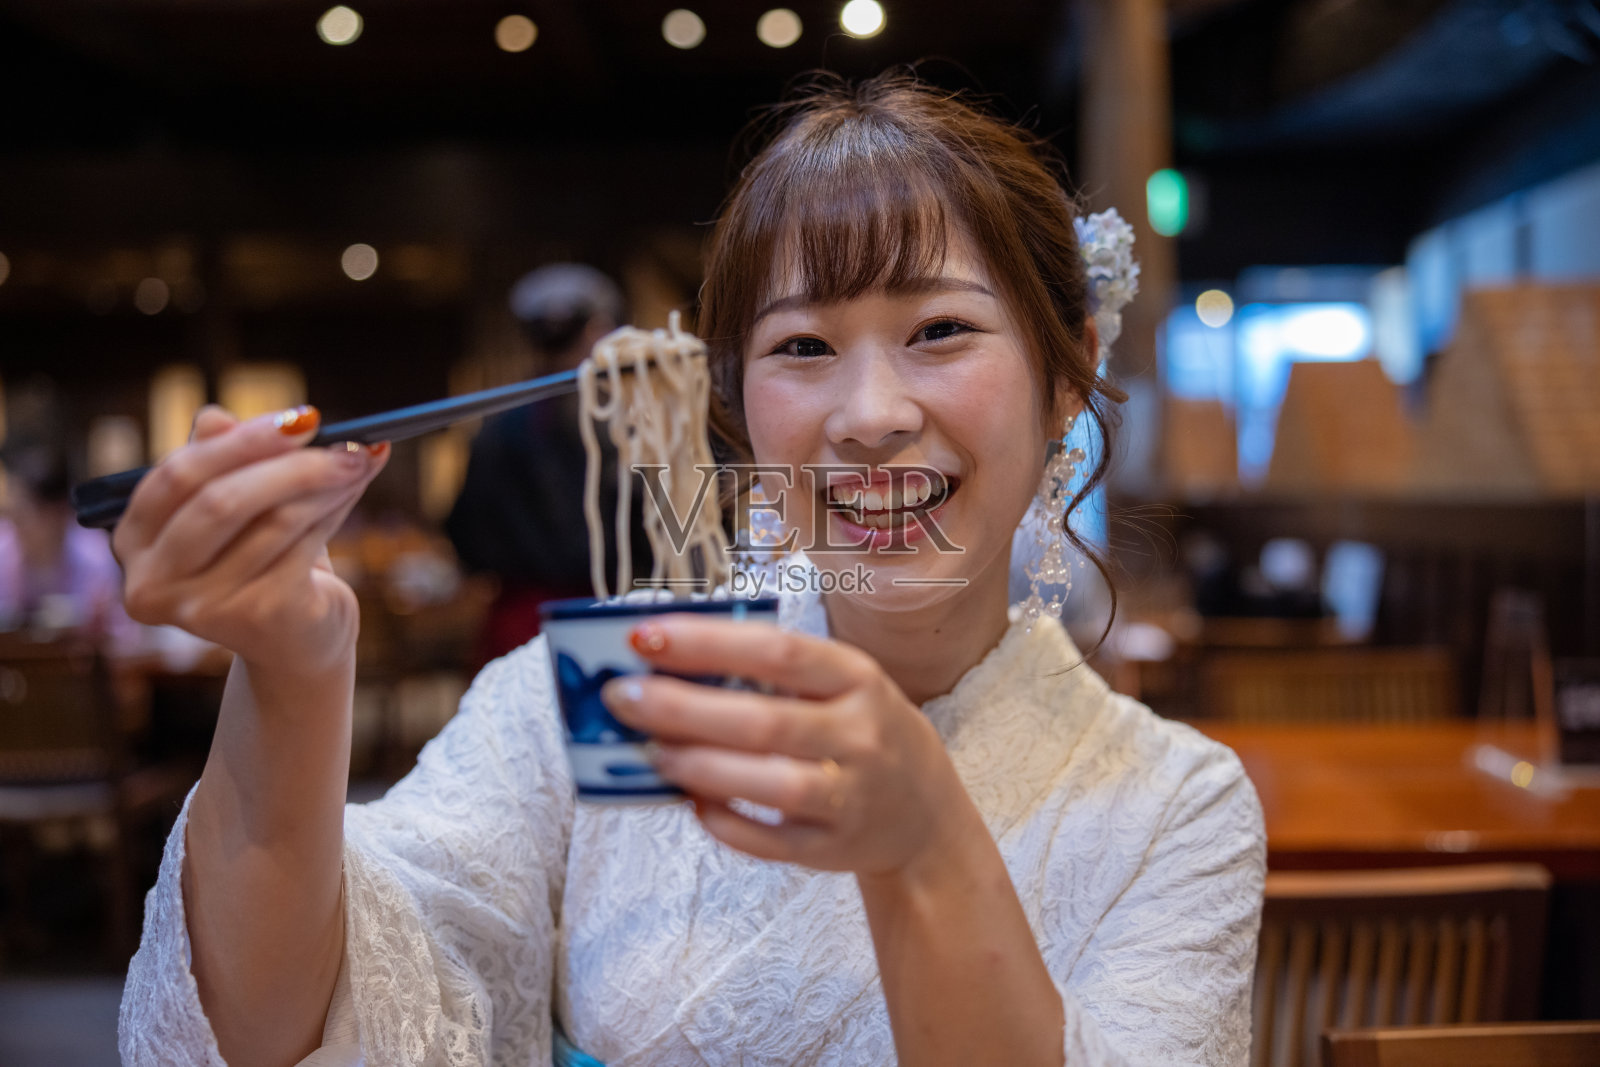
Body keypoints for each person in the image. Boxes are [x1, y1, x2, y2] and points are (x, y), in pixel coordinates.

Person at [116, 71, 1264, 1066]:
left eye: (941, 331)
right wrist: (293, 667)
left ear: (1067, 380)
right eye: (802, 347)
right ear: (744, 413)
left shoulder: (1177, 808)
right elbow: (291, 1023)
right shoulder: (600, 697)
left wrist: (927, 842)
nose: (868, 415)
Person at [445, 264, 652, 666]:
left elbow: (465, 534)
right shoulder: (627, 426)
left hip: (529, 618)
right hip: (597, 613)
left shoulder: (499, 425)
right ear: (601, 328)